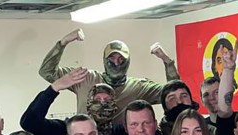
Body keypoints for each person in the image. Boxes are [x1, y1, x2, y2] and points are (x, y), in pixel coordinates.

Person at [39, 30, 180, 116]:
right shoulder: (85, 78)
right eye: (111, 58)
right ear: (104, 60)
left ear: (128, 61)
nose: (116, 63)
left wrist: (167, 61)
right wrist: (63, 42)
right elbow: (47, 72)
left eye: (121, 59)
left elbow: (174, 93)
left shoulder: (138, 87)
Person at [21, 69, 126, 135]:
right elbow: (30, 123)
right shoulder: (67, 130)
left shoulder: (122, 133)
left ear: (114, 105)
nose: (102, 104)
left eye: (107, 100)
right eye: (97, 99)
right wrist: (54, 88)